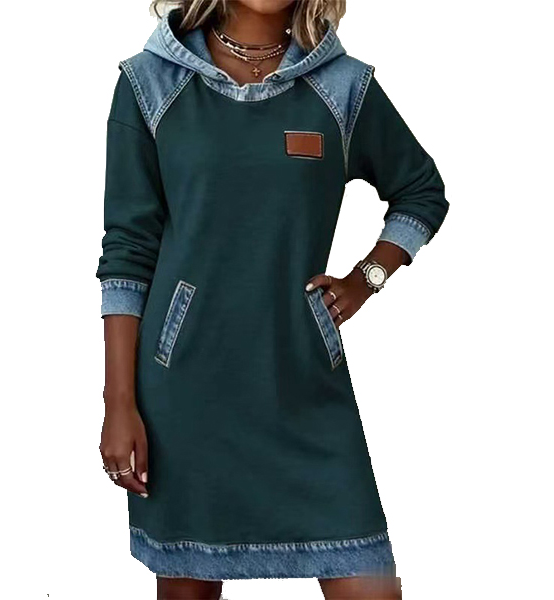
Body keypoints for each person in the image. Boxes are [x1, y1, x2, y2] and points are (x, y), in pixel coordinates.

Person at [96, 1, 448, 598]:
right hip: (186, 394)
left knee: (370, 582)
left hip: (304, 383)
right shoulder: (149, 81)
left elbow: (421, 191)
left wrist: (366, 279)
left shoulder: (344, 87)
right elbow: (128, 252)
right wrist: (119, 401)